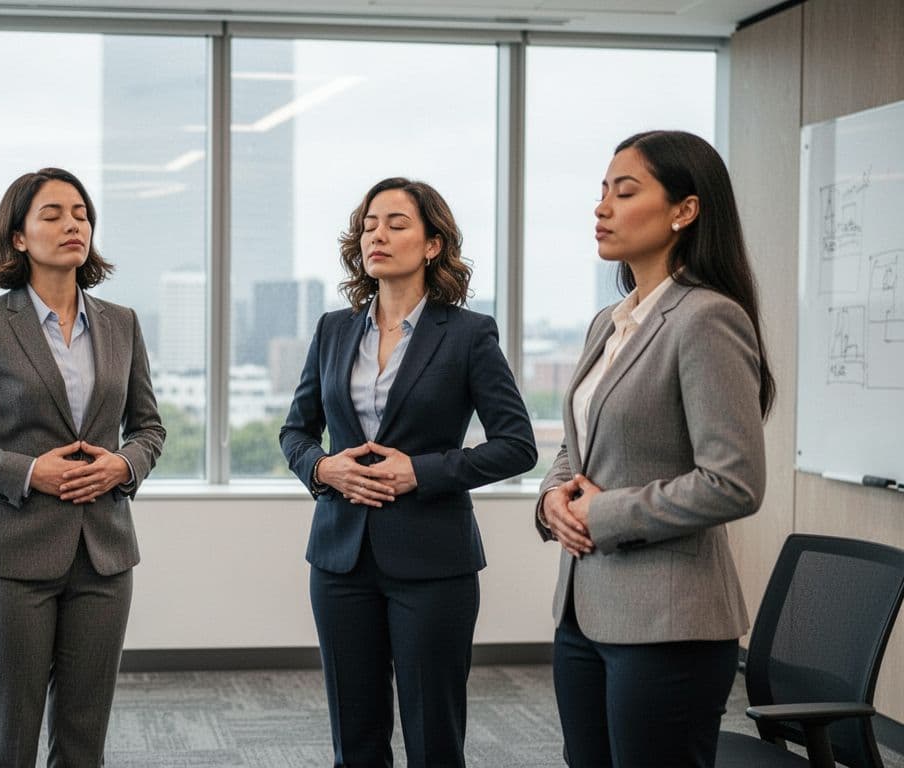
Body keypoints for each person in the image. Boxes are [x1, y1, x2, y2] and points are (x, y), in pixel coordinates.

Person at [280, 177, 537, 768]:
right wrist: (324, 468)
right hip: (340, 560)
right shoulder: (334, 329)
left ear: (432, 244)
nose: (378, 235)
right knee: (355, 739)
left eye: (396, 224)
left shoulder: (468, 334)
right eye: (369, 224)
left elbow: (517, 445)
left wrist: (419, 472)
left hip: (433, 563)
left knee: (433, 738)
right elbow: (295, 432)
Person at [535, 130, 774, 768]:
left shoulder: (706, 318)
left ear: (684, 210)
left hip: (669, 623)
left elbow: (734, 482)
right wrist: (553, 499)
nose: (602, 207)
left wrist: (603, 513)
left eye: (625, 191)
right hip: (582, 612)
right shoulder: (608, 322)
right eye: (602, 191)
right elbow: (581, 445)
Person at [0, 167, 165, 768]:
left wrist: (122, 466)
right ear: (19, 237)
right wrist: (29, 473)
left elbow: (149, 429)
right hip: (11, 559)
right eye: (52, 214)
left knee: (84, 741)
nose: (72, 224)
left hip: (103, 557)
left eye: (80, 213)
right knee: (10, 739)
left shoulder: (121, 322)